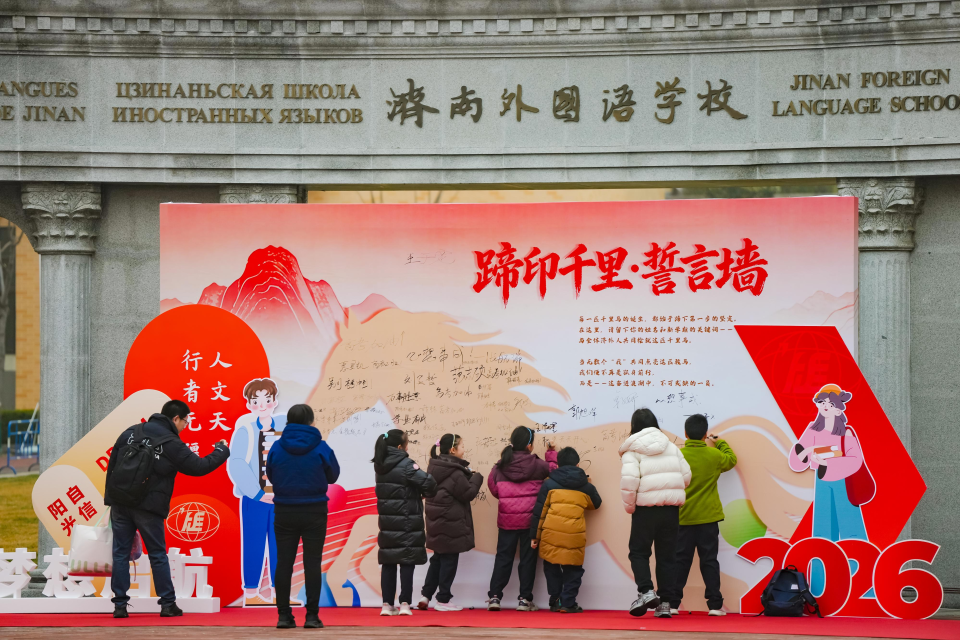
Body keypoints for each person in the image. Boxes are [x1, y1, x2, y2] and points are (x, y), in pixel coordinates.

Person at [104, 400, 229, 618]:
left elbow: (112, 465)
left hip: (120, 503)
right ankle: (167, 604)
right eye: (186, 421)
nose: (185, 426)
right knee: (157, 555)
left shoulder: (131, 432)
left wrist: (111, 499)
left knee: (120, 554)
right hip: (148, 507)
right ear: (176, 418)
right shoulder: (171, 443)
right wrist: (221, 450)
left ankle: (120, 606)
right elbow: (199, 467)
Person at [788, 384, 871, 595]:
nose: (825, 406)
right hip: (823, 483)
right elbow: (796, 461)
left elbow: (855, 460)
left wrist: (826, 462)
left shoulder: (846, 432)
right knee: (822, 534)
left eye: (830, 403)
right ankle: (820, 588)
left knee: (852, 532)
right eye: (822, 402)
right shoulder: (812, 430)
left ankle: (863, 586)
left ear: (838, 408)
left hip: (844, 483)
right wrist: (808, 451)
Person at [266, 403, 340, 630]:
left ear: (288, 422)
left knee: (284, 563)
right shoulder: (321, 447)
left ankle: (283, 616)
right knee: (312, 563)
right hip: (314, 511)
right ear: (311, 421)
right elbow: (333, 476)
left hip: (284, 511)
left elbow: (271, 475)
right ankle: (312, 617)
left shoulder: (277, 447)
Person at [619, 408, 691, 618]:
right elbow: (686, 476)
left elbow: (629, 482)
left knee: (639, 552)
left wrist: (631, 508)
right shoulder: (671, 447)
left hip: (645, 510)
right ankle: (665, 604)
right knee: (667, 556)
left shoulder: (632, 450)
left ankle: (646, 591)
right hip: (670, 510)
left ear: (634, 426)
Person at [227, 378, 287, 606]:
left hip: (281, 499)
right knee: (254, 543)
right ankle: (252, 592)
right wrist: (258, 494)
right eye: (256, 400)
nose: (262, 405)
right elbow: (237, 463)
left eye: (267, 399)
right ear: (249, 404)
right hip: (255, 499)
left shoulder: (284, 428)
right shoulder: (246, 431)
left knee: (281, 544)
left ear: (274, 401)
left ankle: (279, 592)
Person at [670, 414, 737, 616]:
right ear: (705, 434)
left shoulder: (676, 456)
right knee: (709, 561)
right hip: (708, 517)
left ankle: (672, 604)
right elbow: (731, 460)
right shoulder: (714, 455)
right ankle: (715, 605)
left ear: (685, 434)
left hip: (683, 517)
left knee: (680, 561)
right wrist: (720, 442)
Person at [486, 425, 557, 611]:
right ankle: (524, 600)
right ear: (529, 445)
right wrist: (551, 452)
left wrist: (506, 500)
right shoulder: (539, 465)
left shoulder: (500, 465)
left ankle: (494, 597)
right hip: (530, 521)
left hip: (506, 520)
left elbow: (493, 486)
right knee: (528, 560)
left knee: (503, 558)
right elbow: (555, 471)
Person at [530, 446, 602, 614]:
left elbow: (539, 511)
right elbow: (596, 504)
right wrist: (589, 485)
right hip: (574, 535)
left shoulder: (549, 484)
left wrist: (534, 536)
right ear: (578, 465)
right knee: (573, 569)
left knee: (551, 565)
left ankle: (555, 600)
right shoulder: (586, 486)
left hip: (551, 533)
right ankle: (568, 602)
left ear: (558, 465)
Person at [373, 428, 437, 616]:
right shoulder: (407, 465)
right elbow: (430, 483)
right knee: (406, 561)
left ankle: (386, 605)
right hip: (408, 521)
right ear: (400, 446)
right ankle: (405, 604)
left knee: (389, 561)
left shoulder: (380, 464)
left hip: (387, 522)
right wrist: (423, 494)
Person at [417, 433, 483, 611]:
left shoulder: (434, 467)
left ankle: (426, 596)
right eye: (462, 446)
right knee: (449, 561)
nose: (464, 449)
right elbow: (468, 494)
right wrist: (477, 478)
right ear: (453, 450)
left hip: (436, 523)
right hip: (451, 524)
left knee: (437, 559)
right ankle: (443, 600)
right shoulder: (455, 472)